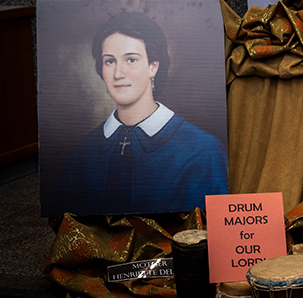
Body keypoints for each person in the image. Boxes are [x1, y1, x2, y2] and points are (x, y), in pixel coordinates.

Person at [55, 12, 228, 216]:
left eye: (131, 60)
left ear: (153, 67)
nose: (118, 74)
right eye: (109, 61)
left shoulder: (203, 150)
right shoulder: (86, 149)